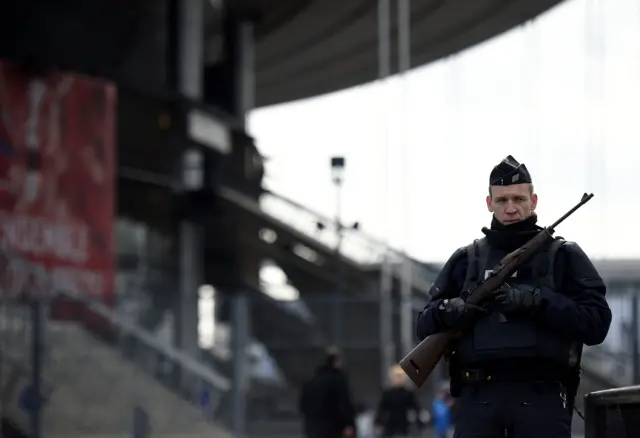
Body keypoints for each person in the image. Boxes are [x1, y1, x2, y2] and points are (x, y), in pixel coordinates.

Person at [415, 155, 612, 438]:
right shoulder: (465, 260)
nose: (511, 208)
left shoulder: (563, 256)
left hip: (542, 400)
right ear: (488, 203)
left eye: (519, 199)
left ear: (533, 202)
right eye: (502, 200)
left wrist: (537, 301)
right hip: (477, 402)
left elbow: (597, 323)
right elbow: (423, 325)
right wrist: (449, 310)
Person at [299, 348, 356, 438]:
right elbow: (343, 405)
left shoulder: (310, 383)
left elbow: (303, 407)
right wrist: (349, 424)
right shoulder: (338, 381)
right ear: (336, 361)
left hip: (313, 430)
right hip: (334, 430)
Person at [373, 365, 423, 437]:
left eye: (401, 376)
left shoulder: (408, 393)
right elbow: (382, 408)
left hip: (403, 424)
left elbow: (415, 406)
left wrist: (420, 415)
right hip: (390, 425)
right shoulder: (387, 393)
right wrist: (378, 421)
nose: (399, 378)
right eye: (397, 376)